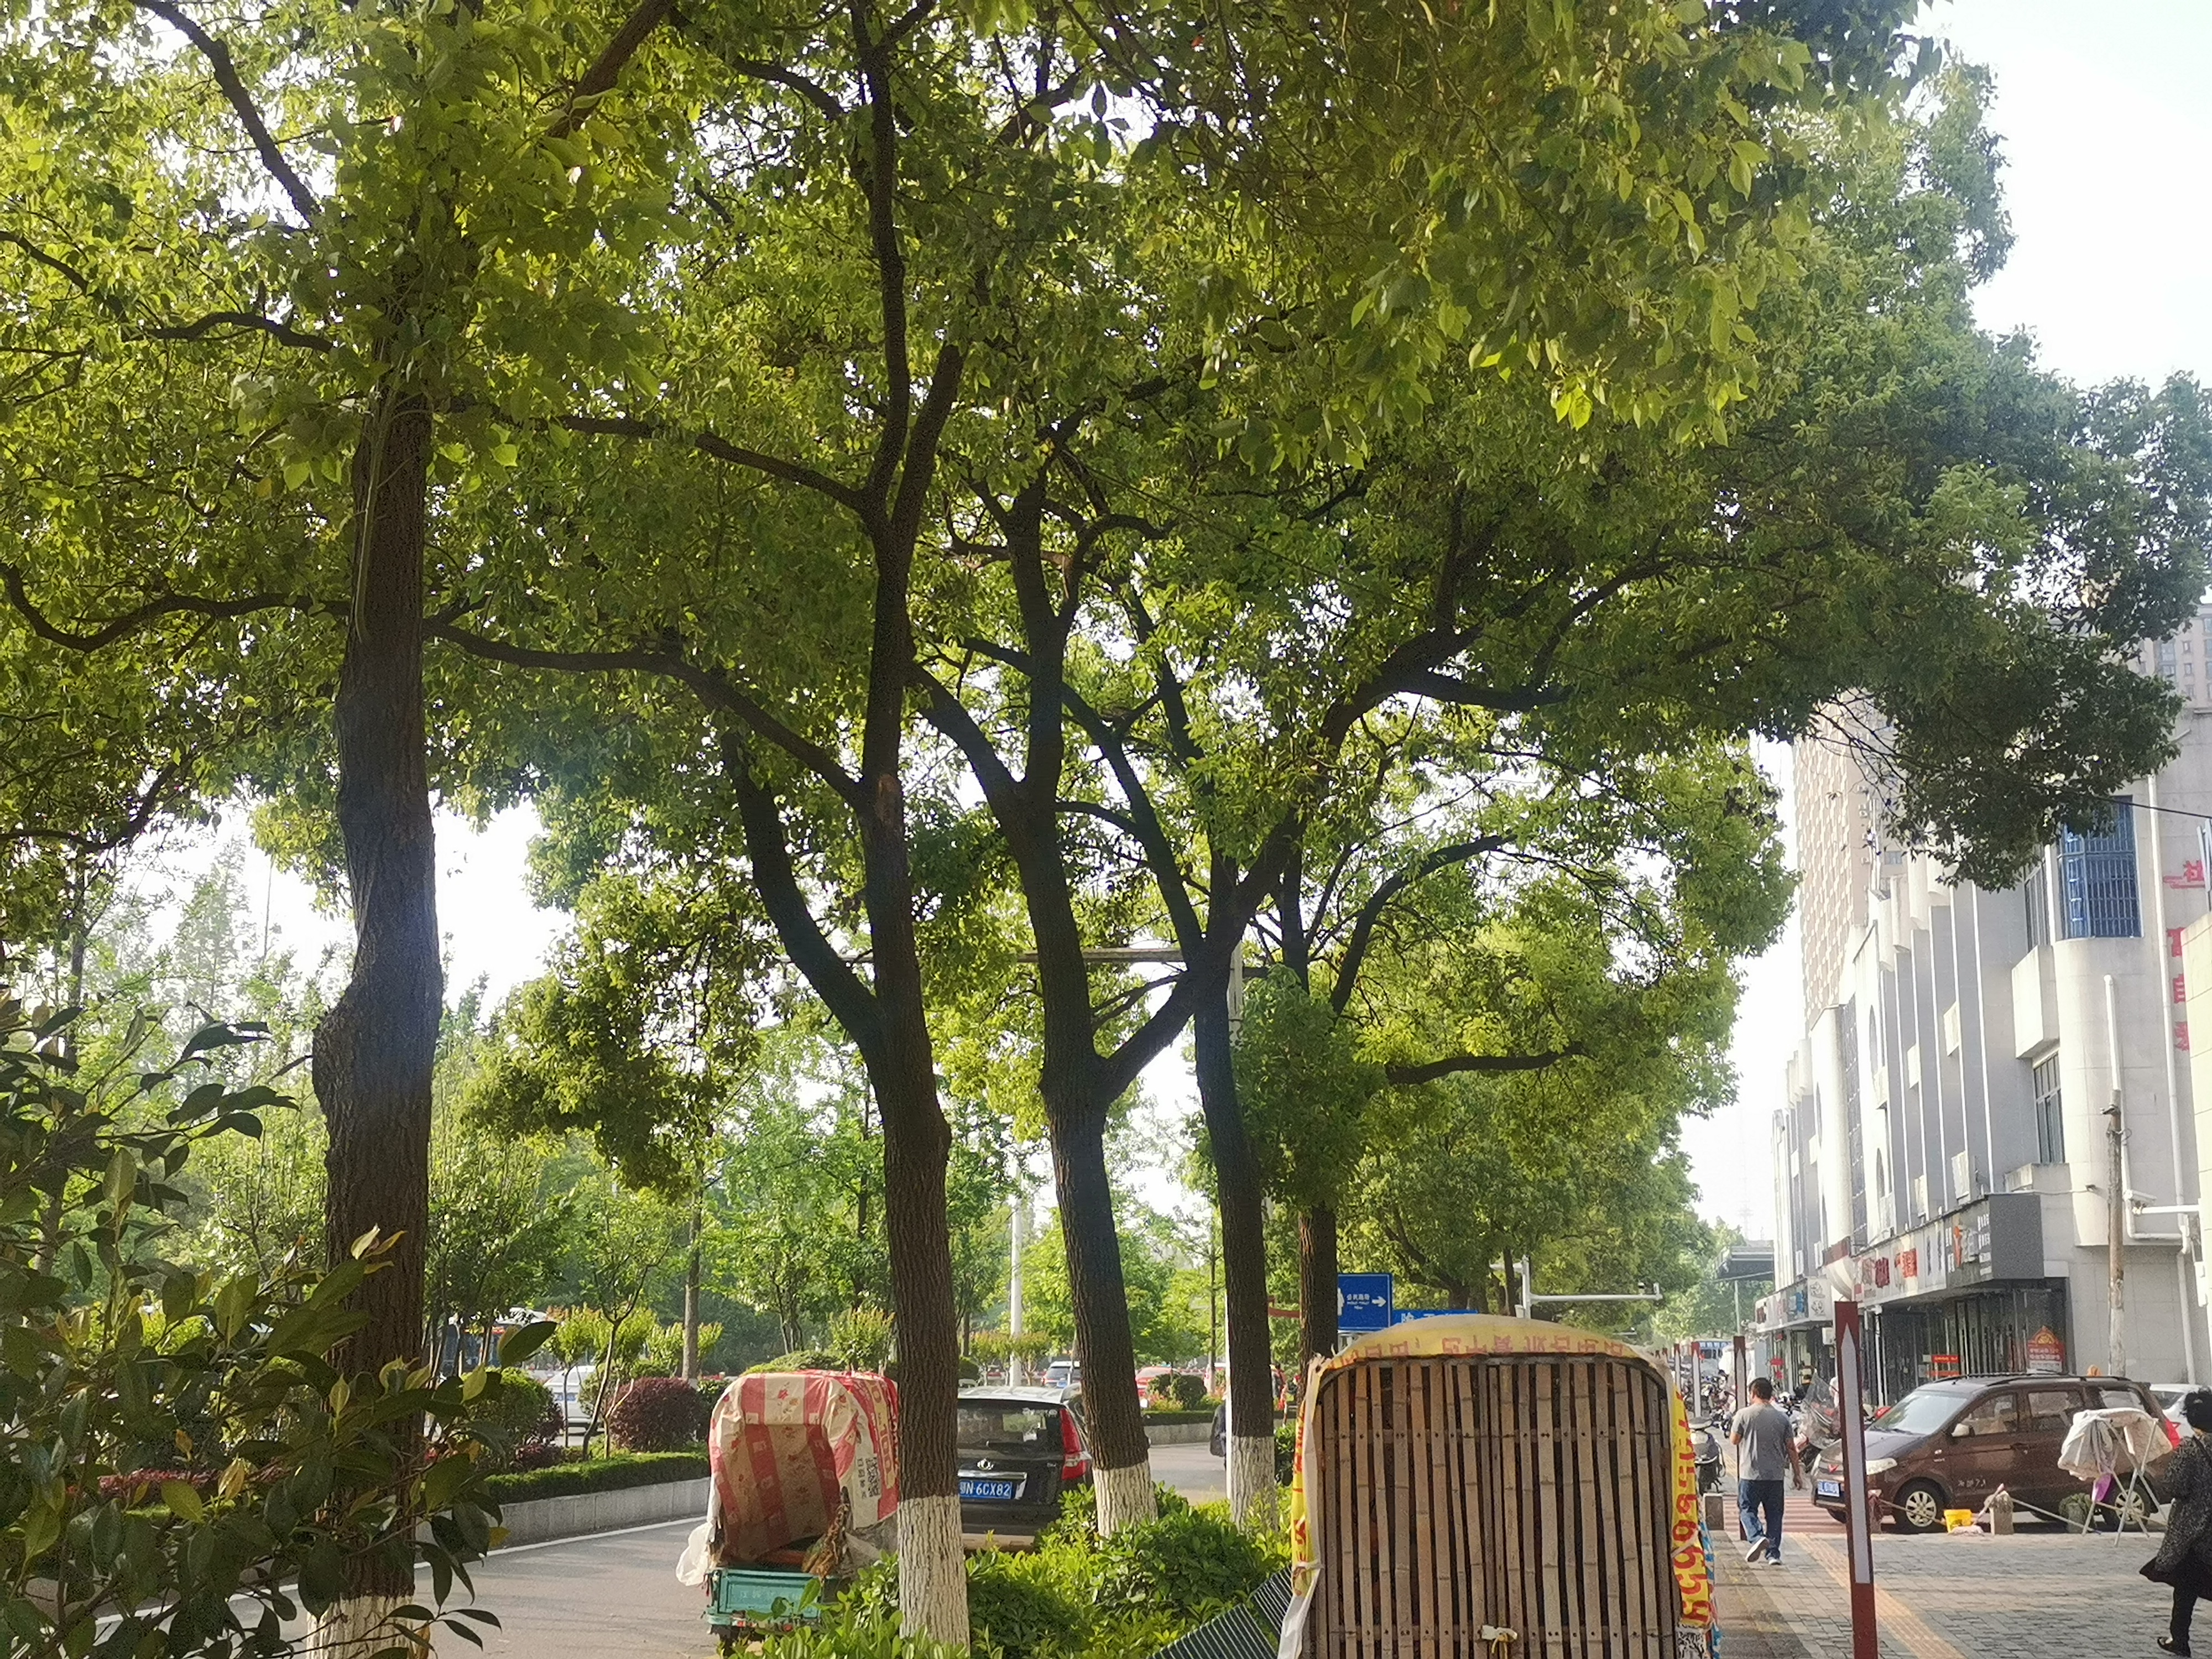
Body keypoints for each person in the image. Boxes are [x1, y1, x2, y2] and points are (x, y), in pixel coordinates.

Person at [2145, 1388, 2212, 1654]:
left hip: (2194, 1533)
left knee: (2185, 1590)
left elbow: (2175, 1486)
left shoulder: (2190, 1449)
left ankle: (2179, 1639)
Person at [1731, 1376, 1802, 1567]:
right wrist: (1797, 1474)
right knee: (1775, 1515)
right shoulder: (1782, 1418)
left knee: (1747, 1509)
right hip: (1775, 1477)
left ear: (1754, 1393)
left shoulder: (1743, 1415)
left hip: (1750, 1475)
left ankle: (1757, 1537)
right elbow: (1791, 1448)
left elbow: (1734, 1440)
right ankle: (1773, 1555)